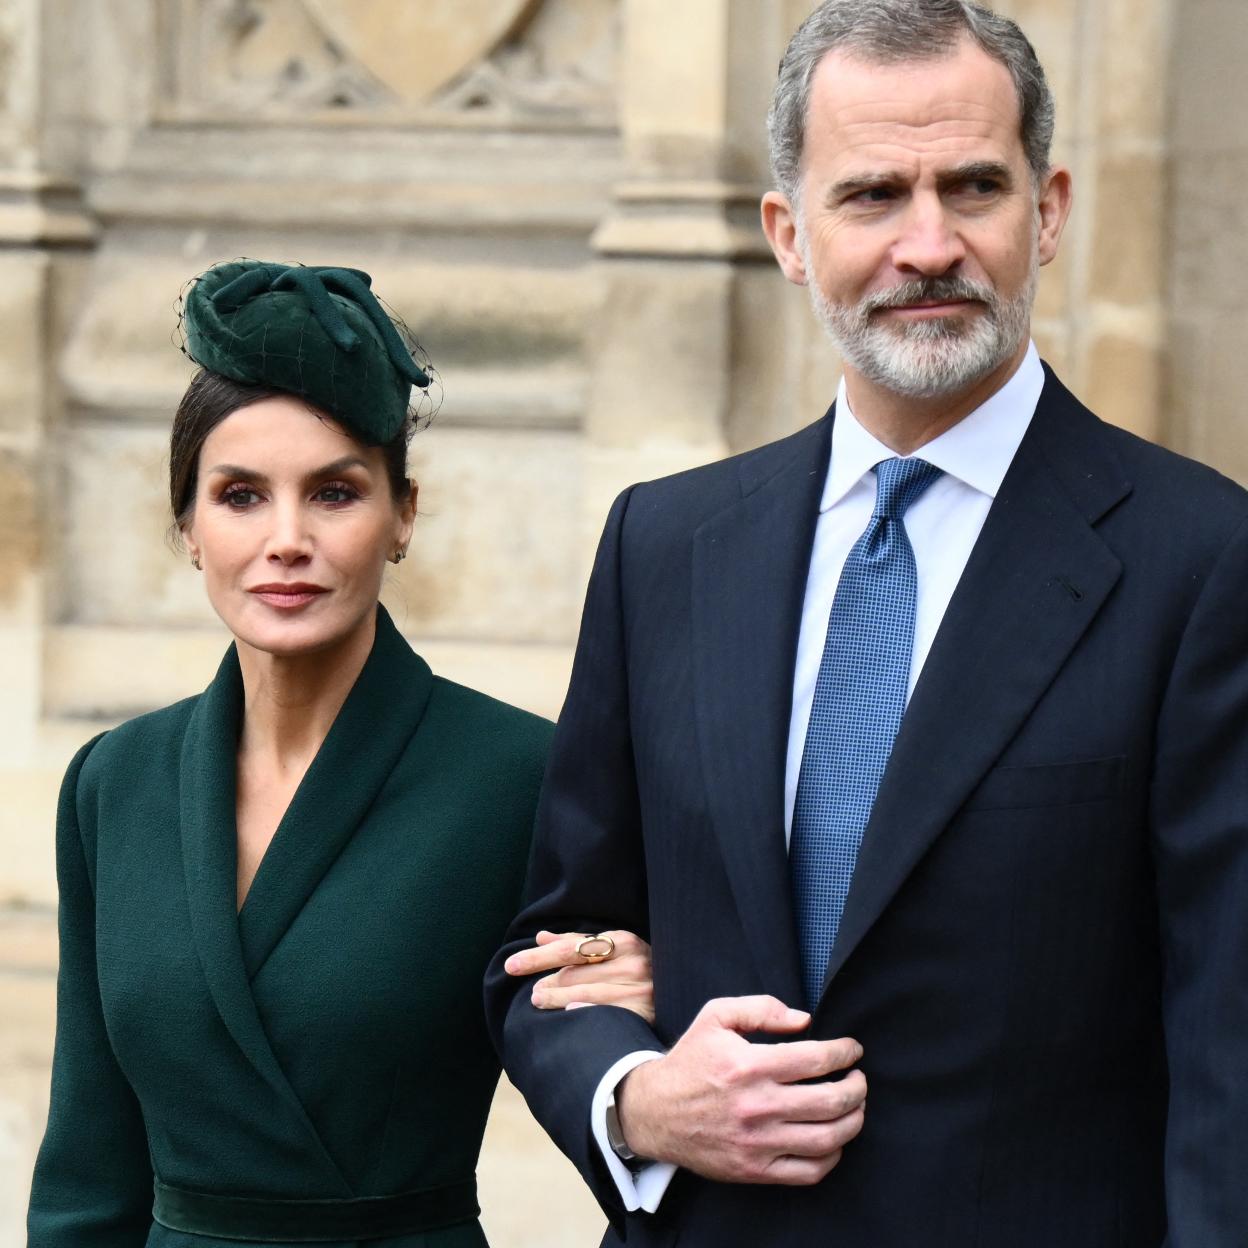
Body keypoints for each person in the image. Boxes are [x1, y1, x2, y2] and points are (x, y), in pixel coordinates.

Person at [486, 2, 1248, 1245]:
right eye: (873, 195)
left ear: (1048, 210)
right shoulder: (665, 549)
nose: (929, 243)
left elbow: (1232, 1052)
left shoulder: (1201, 562)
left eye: (975, 188)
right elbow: (550, 959)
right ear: (790, 233)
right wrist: (638, 1100)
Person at [26, 259, 653, 1248]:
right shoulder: (114, 782)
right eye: (239, 496)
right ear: (188, 525)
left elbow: (608, 1062)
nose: (287, 539)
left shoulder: (520, 777)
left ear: (402, 515)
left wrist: (645, 989)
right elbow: (87, 1161)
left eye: (333, 493)